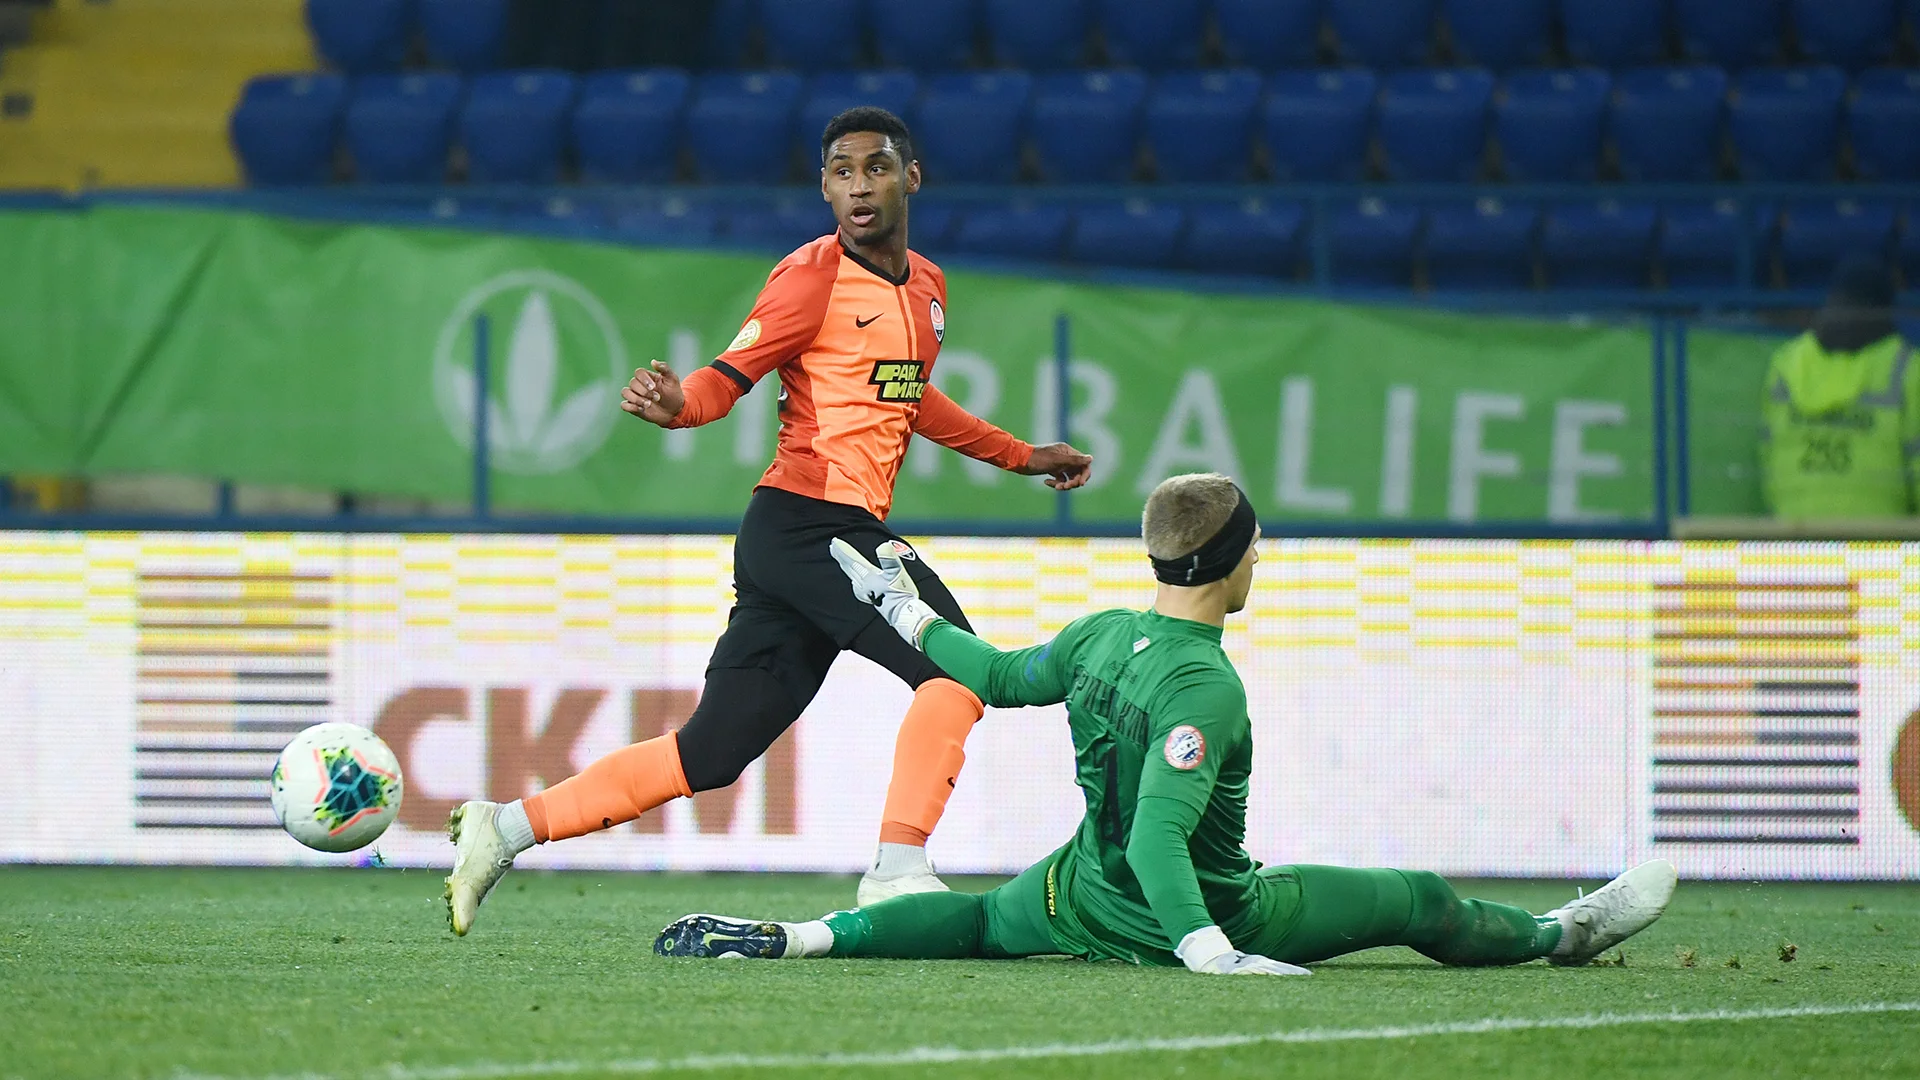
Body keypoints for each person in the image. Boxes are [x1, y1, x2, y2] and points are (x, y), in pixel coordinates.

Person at [441, 107, 1094, 935]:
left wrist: (1021, 455)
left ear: (910, 178)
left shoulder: (927, 288)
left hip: (802, 541)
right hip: (814, 526)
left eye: (876, 168)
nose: (859, 186)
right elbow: (729, 374)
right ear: (824, 188)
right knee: (958, 673)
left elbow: (909, 396)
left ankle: (503, 829)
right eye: (842, 172)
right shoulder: (810, 277)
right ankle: (898, 870)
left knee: (711, 753)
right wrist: (681, 405)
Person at [654, 473, 1677, 973]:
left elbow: (998, 676)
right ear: (1228, 562)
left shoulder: (1101, 634)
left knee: (976, 921)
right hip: (1209, 908)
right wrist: (1209, 949)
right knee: (1418, 900)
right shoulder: (1205, 688)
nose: (1259, 558)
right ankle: (1561, 934)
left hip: (1077, 892)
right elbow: (1158, 837)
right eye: (1255, 547)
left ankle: (793, 937)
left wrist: (907, 613)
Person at [1761, 253, 1918, 518]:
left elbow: (1767, 455)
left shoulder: (1787, 362)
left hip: (1795, 528)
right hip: (1881, 535)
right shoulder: (1907, 368)